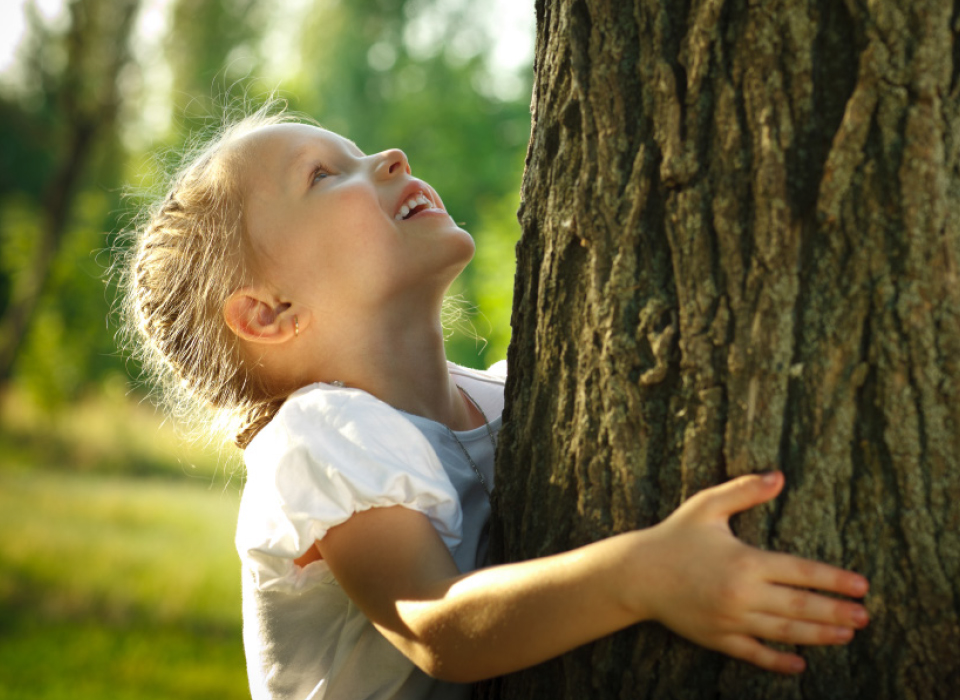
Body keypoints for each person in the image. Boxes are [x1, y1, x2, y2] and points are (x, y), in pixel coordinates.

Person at [120, 104, 870, 700]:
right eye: (324, 174)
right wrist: (647, 575)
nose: (389, 158)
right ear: (269, 313)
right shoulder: (319, 441)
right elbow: (438, 629)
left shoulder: (513, 394)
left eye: (357, 152)